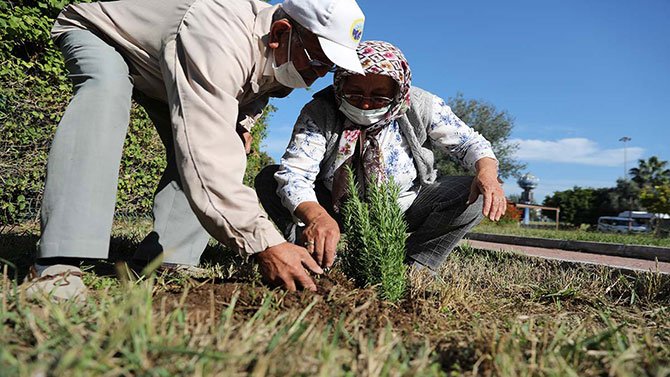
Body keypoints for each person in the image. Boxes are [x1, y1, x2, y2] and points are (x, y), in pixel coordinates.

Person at [24, 0, 367, 300]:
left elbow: (256, 89)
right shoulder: (218, 35)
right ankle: (59, 264)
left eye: (329, 67)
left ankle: (166, 260)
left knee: (223, 142)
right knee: (106, 93)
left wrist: (242, 124)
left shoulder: (287, 56)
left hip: (169, 67)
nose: (317, 77)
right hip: (109, 39)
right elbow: (206, 155)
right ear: (281, 31)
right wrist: (265, 244)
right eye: (317, 61)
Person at [255, 41, 506, 274]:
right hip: (333, 207)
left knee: (470, 194)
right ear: (340, 85)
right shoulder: (320, 110)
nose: (365, 105)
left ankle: (415, 264)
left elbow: (470, 143)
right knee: (270, 179)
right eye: (354, 94)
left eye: (378, 97)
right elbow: (295, 173)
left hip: (403, 207)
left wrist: (487, 173)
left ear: (398, 91)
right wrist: (317, 216)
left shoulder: (421, 105)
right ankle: (306, 250)